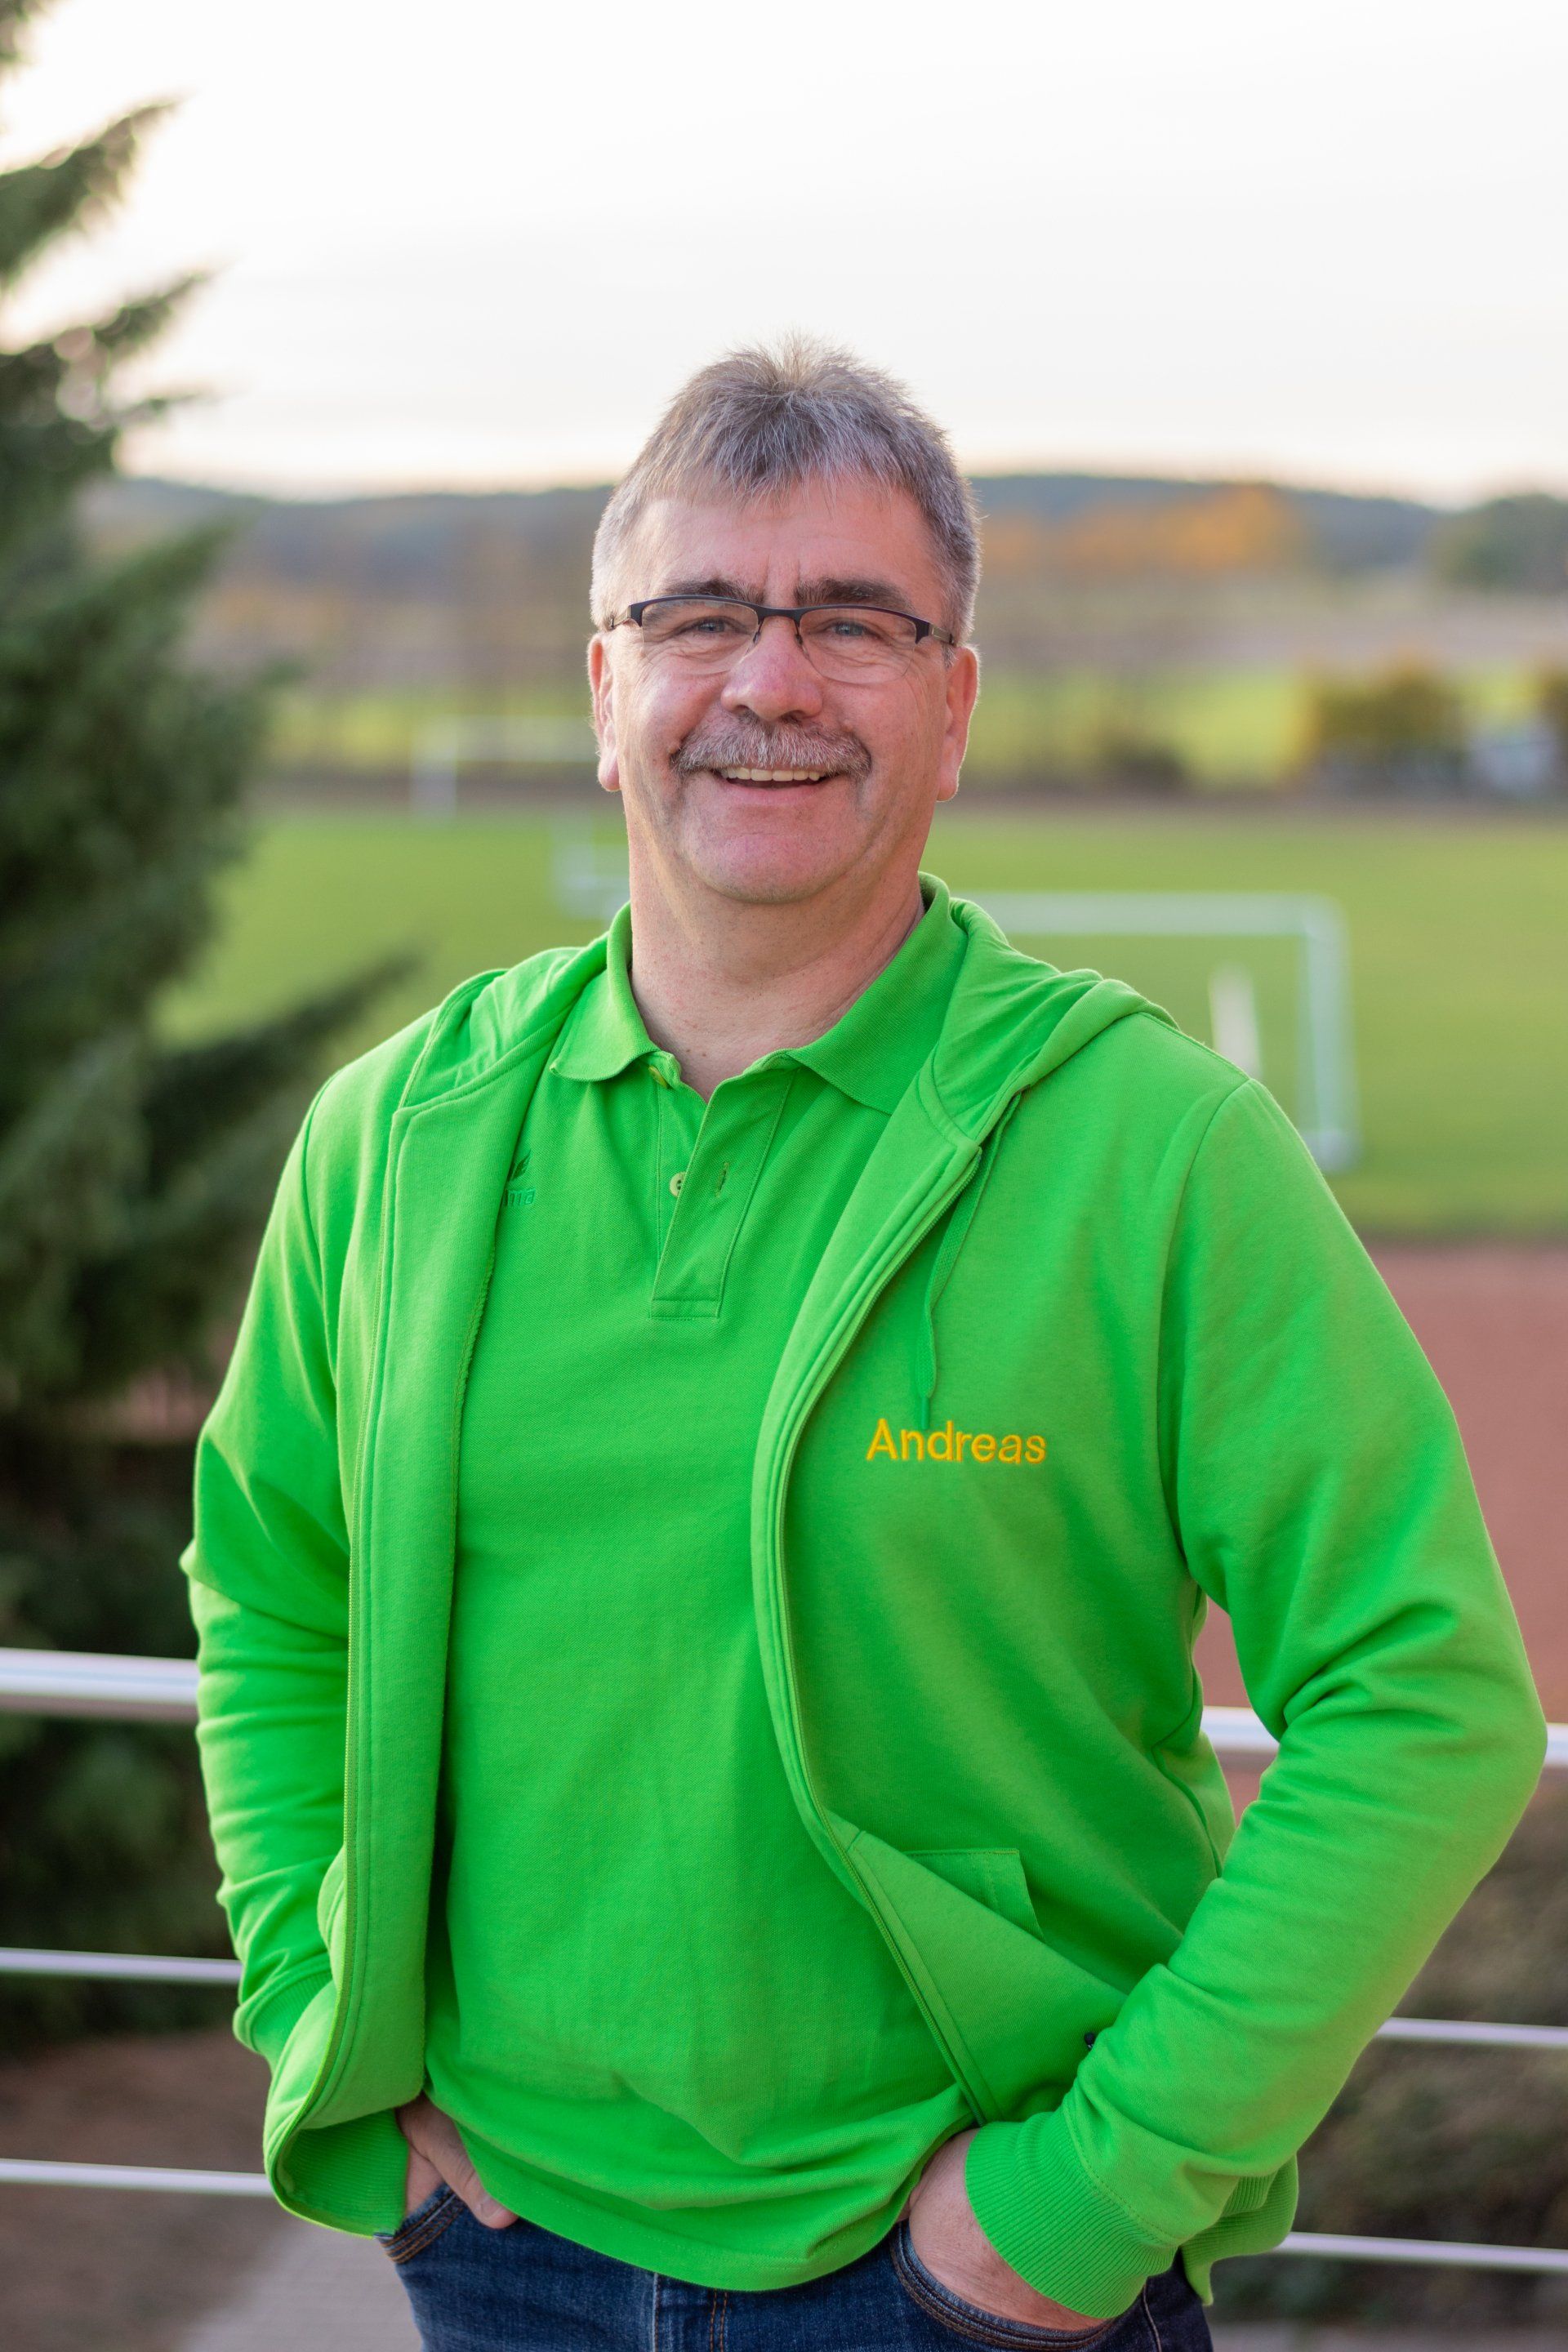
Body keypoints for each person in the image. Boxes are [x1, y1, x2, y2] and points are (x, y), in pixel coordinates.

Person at [184, 341, 1544, 2352]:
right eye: (698, 616)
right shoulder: (393, 1139)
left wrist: (1088, 2199)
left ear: (955, 704)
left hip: (965, 2288)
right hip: (504, 2254)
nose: (771, 679)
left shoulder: (1160, 1153)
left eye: (853, 621)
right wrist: (326, 2027)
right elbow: (273, 1592)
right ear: (604, 688)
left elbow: (1425, 1700)